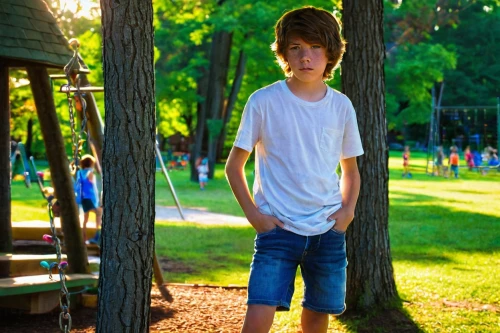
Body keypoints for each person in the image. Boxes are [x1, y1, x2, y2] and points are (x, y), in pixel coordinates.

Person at [225, 7, 363, 333]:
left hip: (327, 232)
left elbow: (351, 170)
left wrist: (347, 213)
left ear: (330, 52)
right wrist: (255, 217)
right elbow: (234, 167)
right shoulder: (263, 101)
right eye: (296, 47)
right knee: (258, 313)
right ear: (284, 52)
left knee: (318, 313)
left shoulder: (341, 105)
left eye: (315, 47)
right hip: (277, 231)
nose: (306, 57)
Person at [76, 154, 102, 244]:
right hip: (90, 197)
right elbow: (93, 186)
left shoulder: (80, 172)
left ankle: (84, 237)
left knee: (85, 218)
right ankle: (97, 235)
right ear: (91, 164)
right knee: (99, 214)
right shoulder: (90, 173)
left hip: (83, 198)